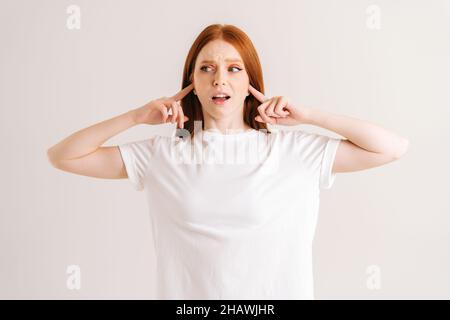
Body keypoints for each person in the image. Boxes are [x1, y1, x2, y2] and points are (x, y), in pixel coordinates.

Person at [47, 24, 409, 299]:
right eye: (206, 68)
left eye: (234, 68)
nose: (219, 78)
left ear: (251, 79)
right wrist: (135, 117)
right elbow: (63, 155)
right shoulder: (164, 154)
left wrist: (310, 115)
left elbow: (391, 148)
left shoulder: (294, 151)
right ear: (191, 81)